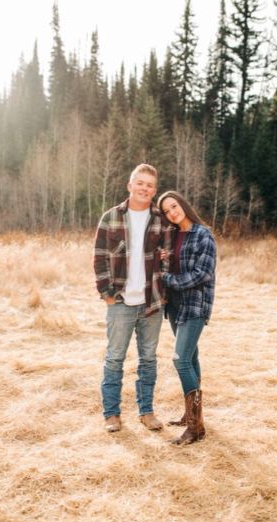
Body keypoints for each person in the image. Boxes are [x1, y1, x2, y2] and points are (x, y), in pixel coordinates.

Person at [94, 164, 167, 434]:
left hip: (152, 302)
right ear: (130, 185)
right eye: (140, 182)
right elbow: (99, 256)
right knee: (115, 359)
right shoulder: (111, 217)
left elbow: (169, 255)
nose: (144, 188)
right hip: (121, 301)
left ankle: (146, 411)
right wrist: (107, 294)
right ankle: (111, 414)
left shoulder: (161, 219)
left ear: (154, 190)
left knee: (148, 359)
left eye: (149, 185)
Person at [156, 190, 217, 446]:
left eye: (174, 206)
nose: (172, 212)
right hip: (176, 305)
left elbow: (202, 274)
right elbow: (171, 267)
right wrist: (164, 262)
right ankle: (191, 415)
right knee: (191, 357)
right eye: (167, 211)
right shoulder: (172, 236)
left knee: (180, 360)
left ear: (183, 204)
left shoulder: (204, 234)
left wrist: (168, 279)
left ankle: (196, 428)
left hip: (194, 305)